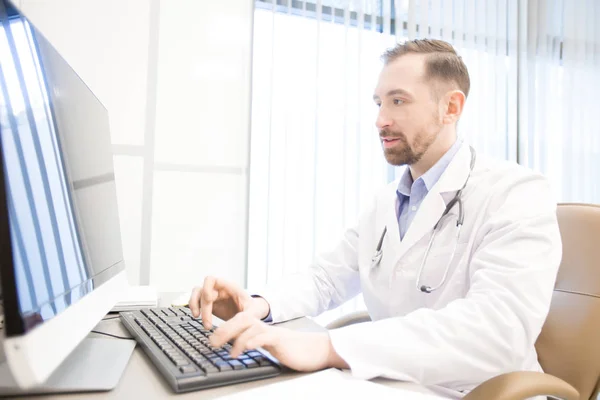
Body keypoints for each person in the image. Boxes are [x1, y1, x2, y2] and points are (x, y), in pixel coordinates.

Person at [188, 39, 561, 396]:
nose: (381, 120)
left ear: (451, 108)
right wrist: (258, 304)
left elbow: (498, 332)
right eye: (379, 102)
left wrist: (328, 347)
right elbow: (325, 280)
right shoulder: (386, 202)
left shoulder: (516, 193)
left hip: (473, 390)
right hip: (390, 382)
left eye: (399, 101)